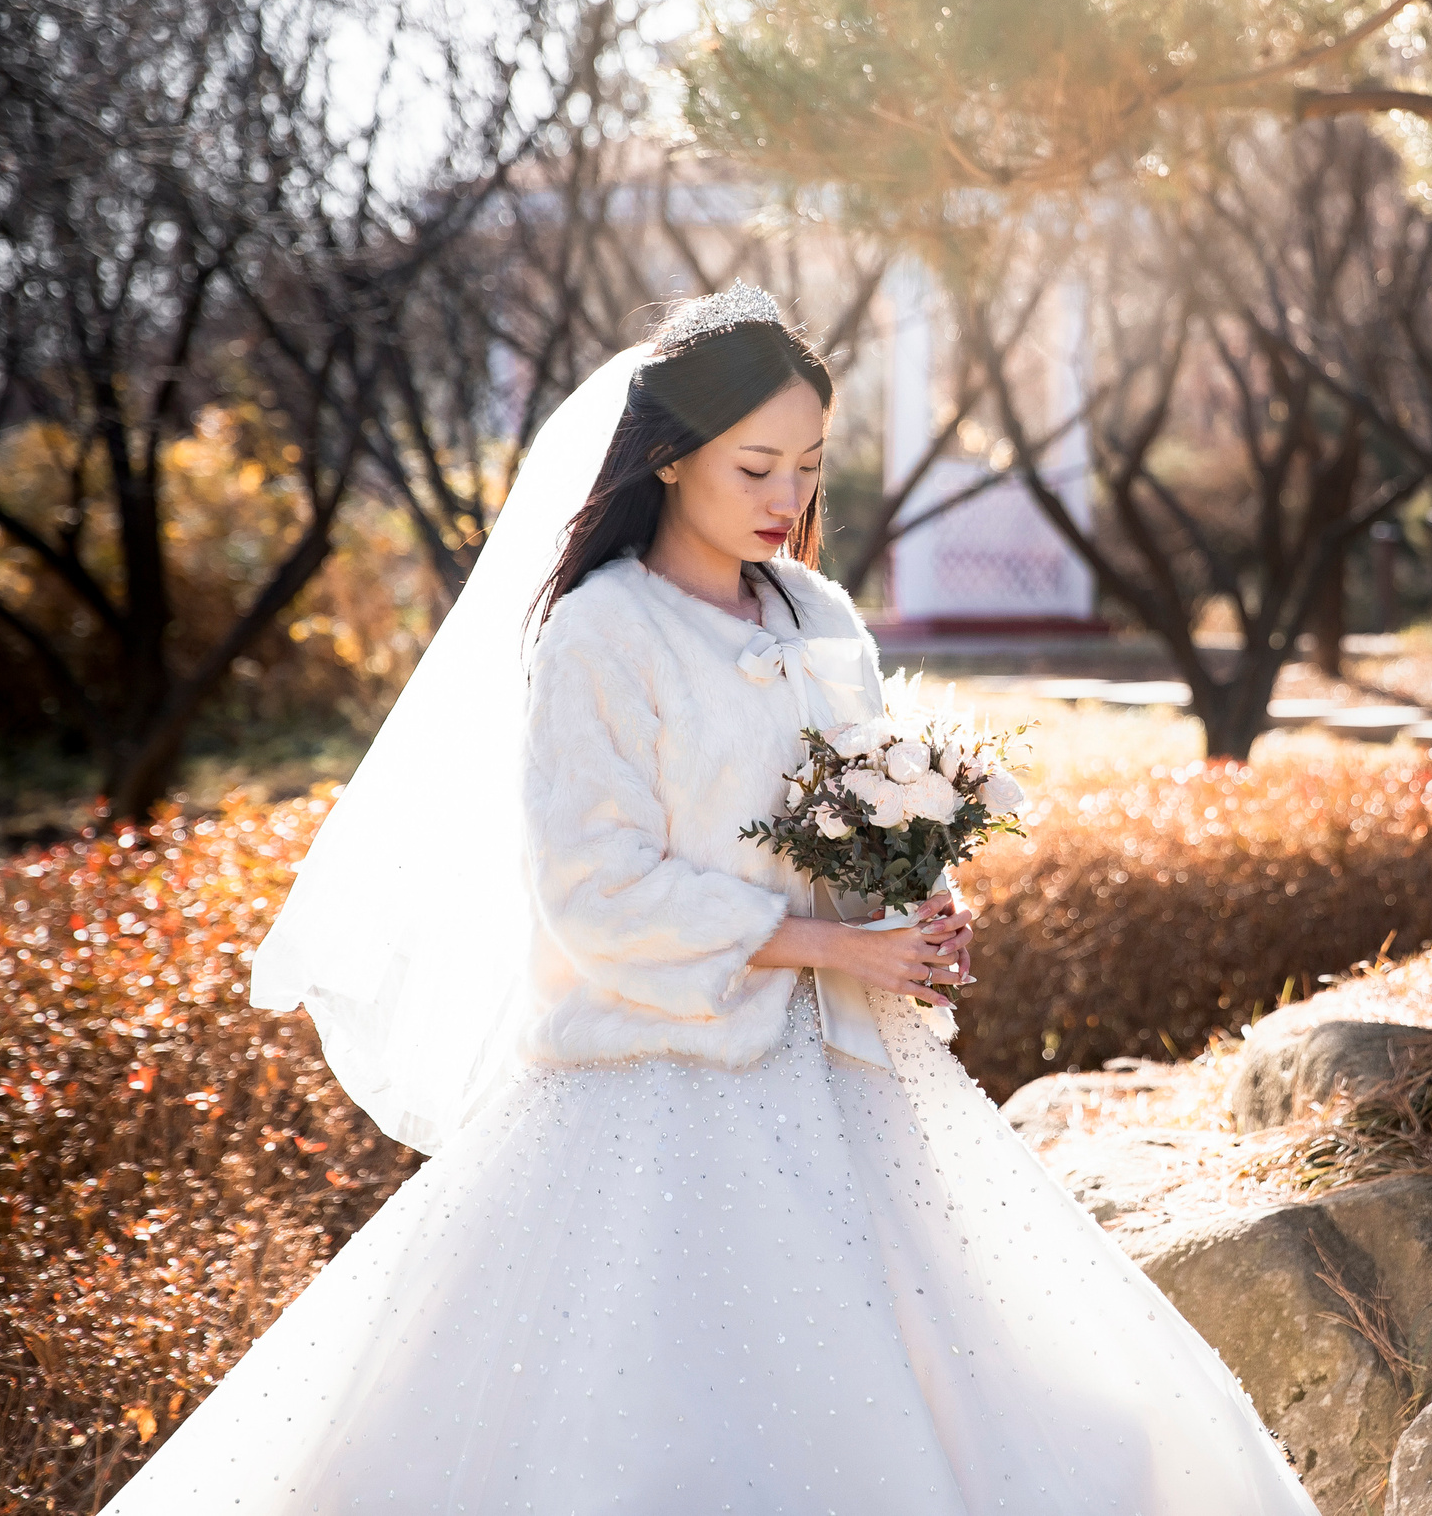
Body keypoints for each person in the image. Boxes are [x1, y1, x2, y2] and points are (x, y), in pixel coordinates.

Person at [103, 284, 1321, 1514]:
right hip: (656, 1082)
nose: (787, 496)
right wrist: (822, 946)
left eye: (809, 464)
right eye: (755, 466)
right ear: (672, 455)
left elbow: (863, 802)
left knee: (1018, 1407)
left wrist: (919, 905)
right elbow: (594, 890)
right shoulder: (599, 632)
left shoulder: (816, 612)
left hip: (854, 1075)